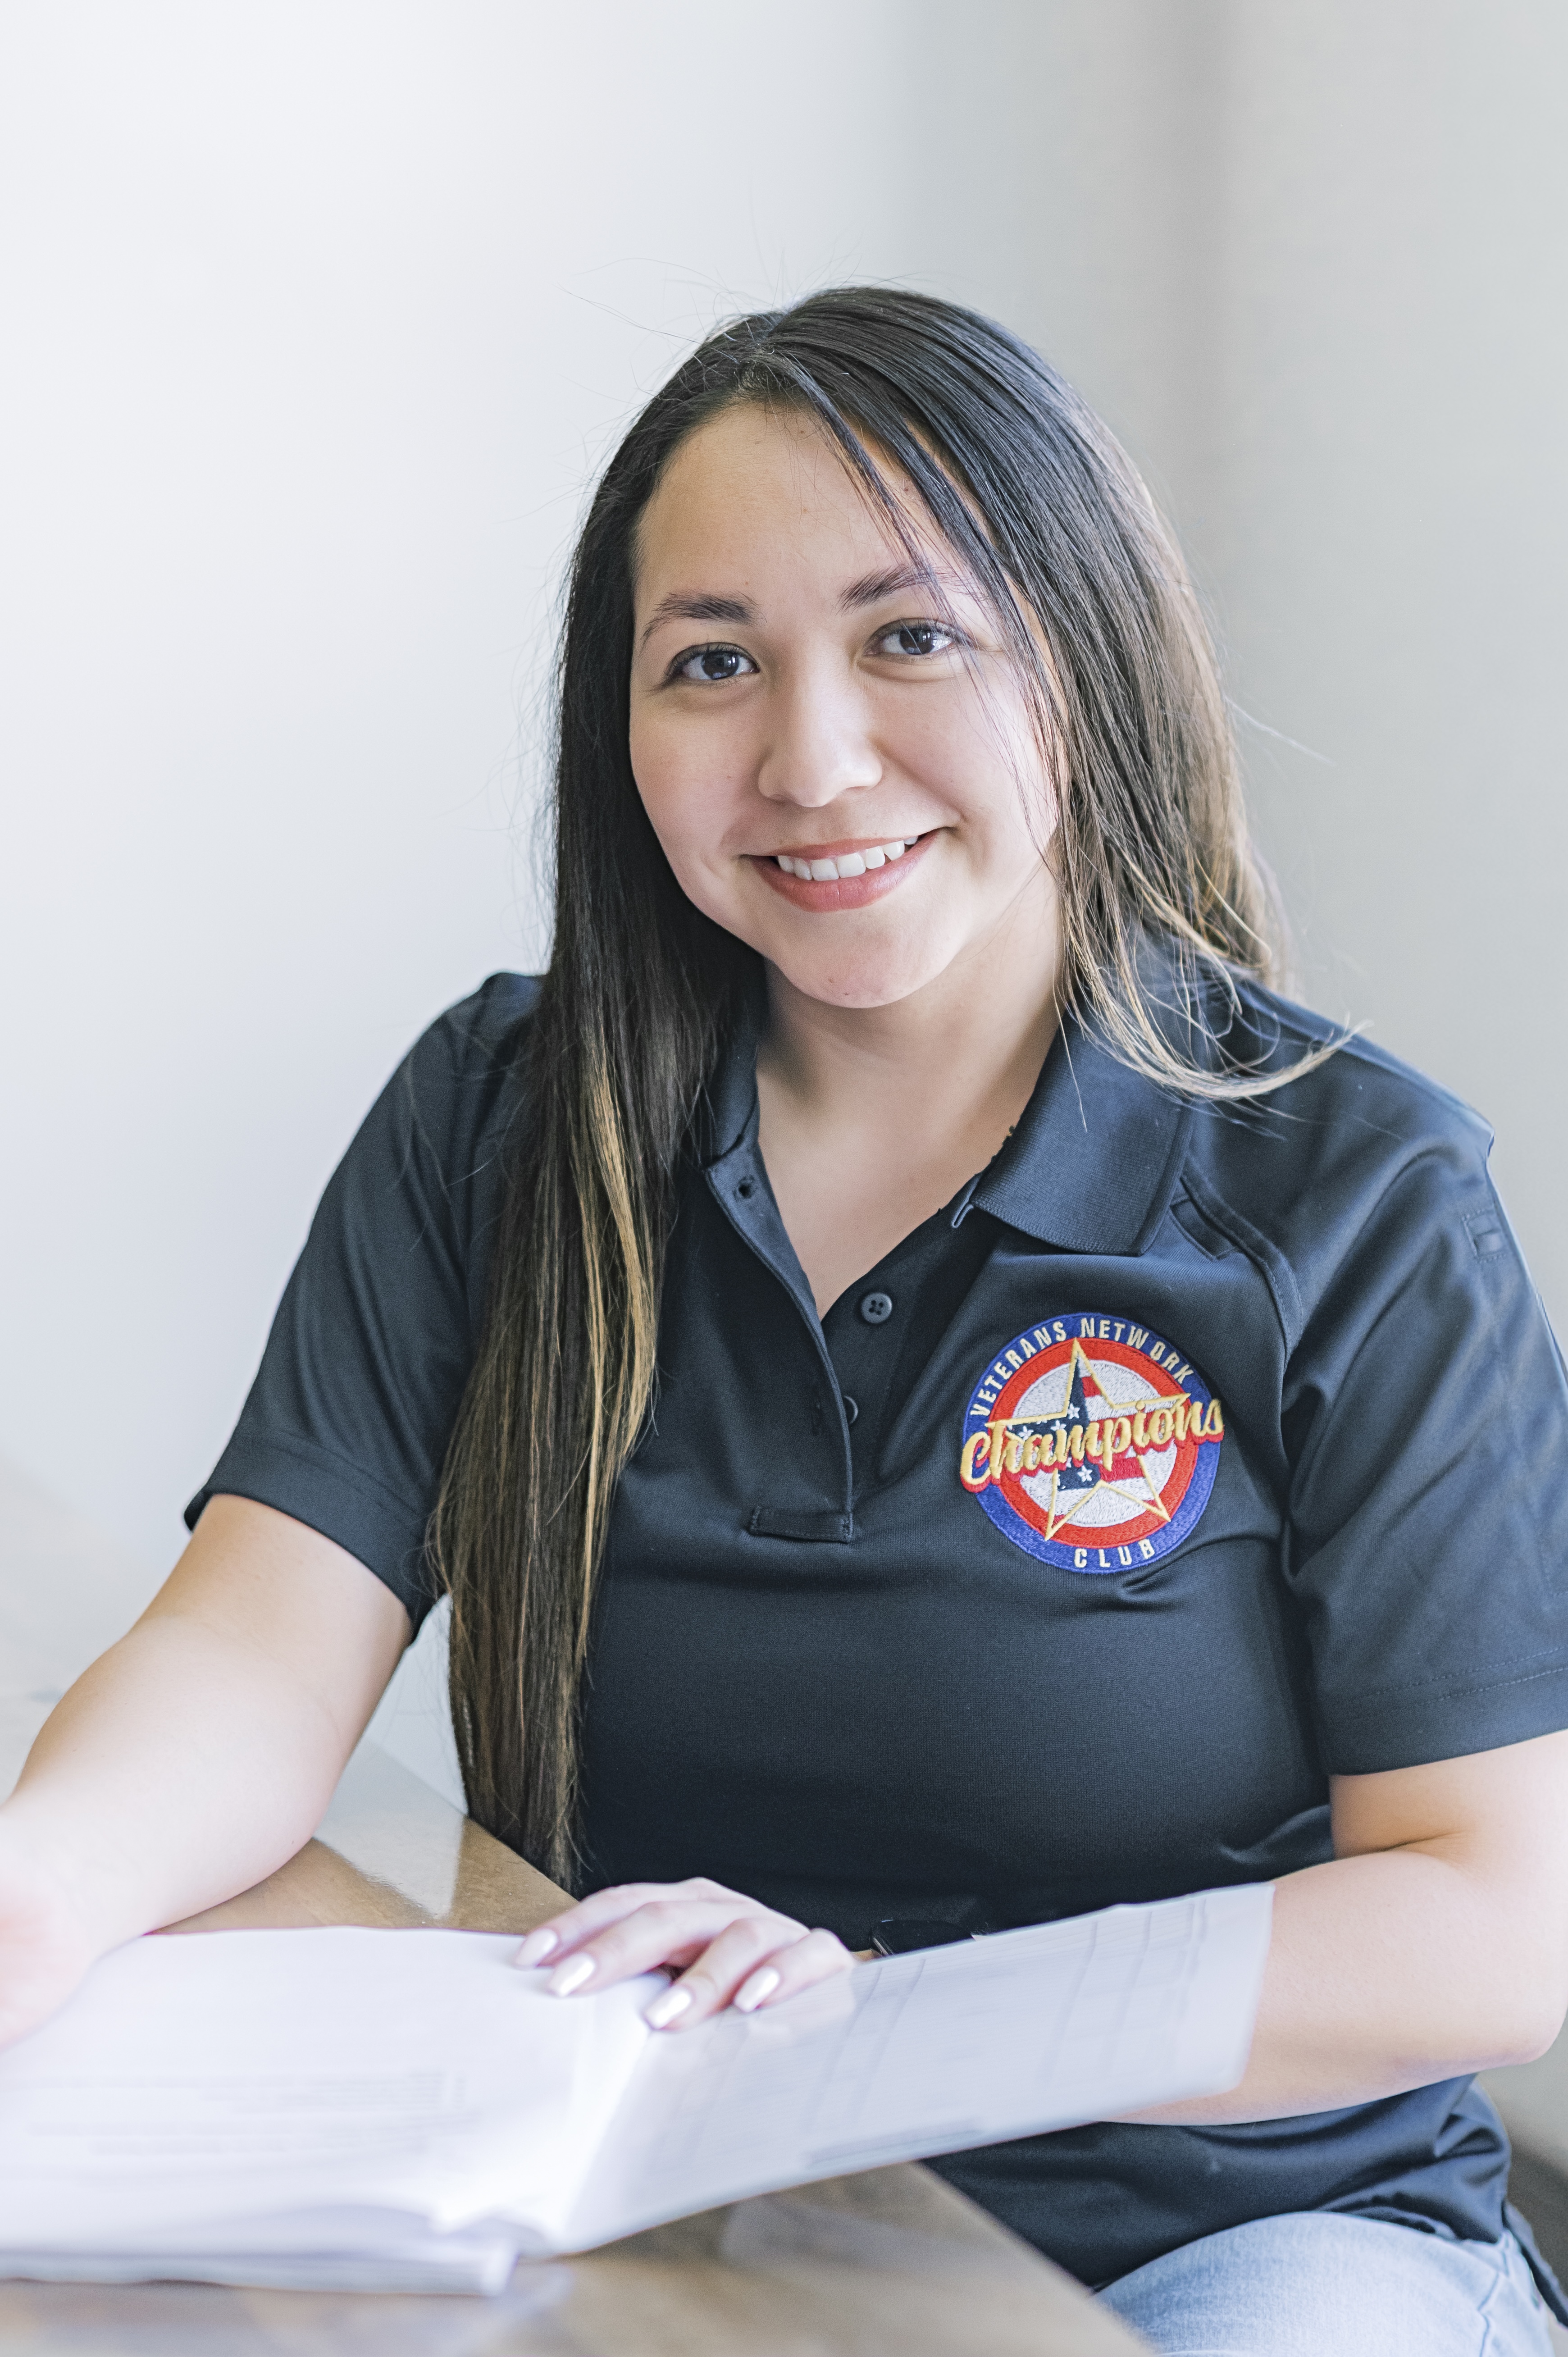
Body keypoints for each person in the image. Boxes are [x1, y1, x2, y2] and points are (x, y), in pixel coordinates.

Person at [4, 287, 1568, 2355]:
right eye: (714, 662)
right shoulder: (500, 1127)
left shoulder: (1351, 1193)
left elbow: (1492, 1920)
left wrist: (878, 2033)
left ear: (1081, 661)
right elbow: (251, 1654)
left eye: (911, 636)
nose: (814, 762)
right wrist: (35, 1899)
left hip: (1247, 2245)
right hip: (663, 2200)